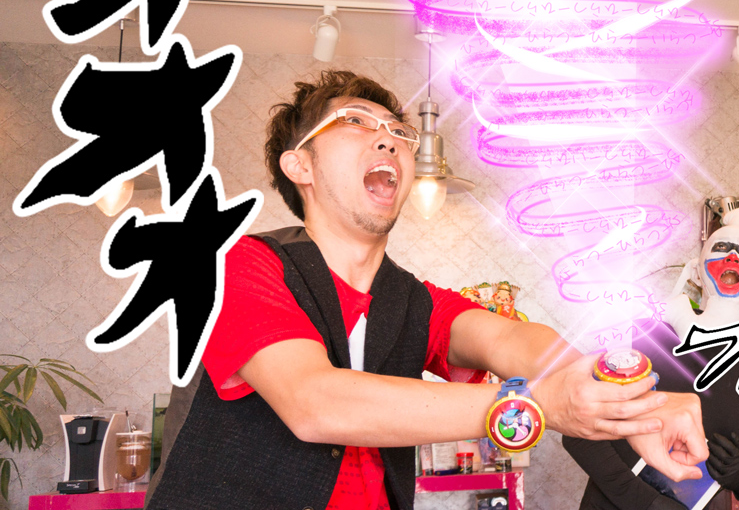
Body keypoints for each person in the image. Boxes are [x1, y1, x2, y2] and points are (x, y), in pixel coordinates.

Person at [146, 70, 708, 510]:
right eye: (356, 122)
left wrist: (633, 404)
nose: (388, 140)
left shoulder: (413, 300)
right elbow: (313, 403)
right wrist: (539, 404)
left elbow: (510, 340)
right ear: (300, 166)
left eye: (399, 132)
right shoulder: (240, 264)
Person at [563, 210, 739, 510]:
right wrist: (649, 504)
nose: (732, 257)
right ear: (697, 272)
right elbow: (577, 434)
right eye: (721, 248)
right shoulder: (646, 338)